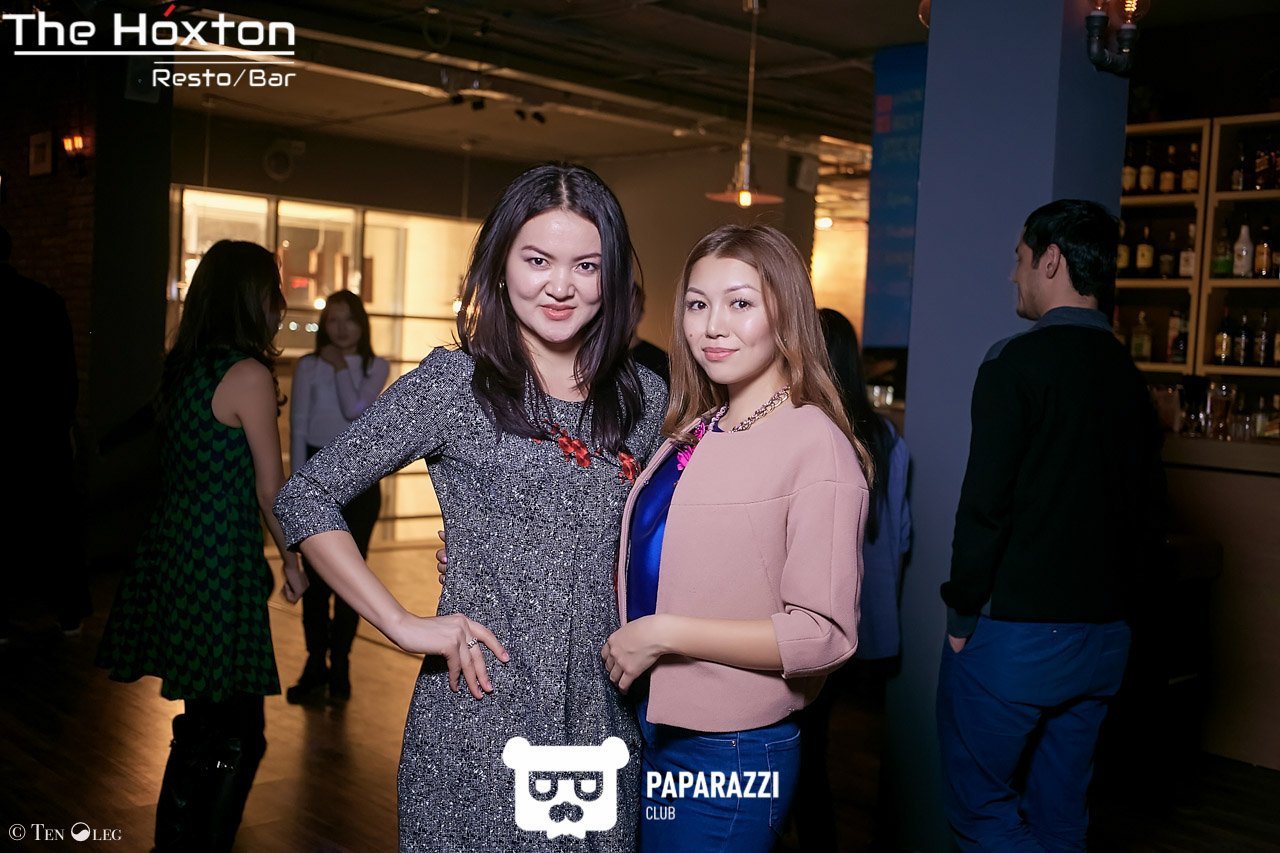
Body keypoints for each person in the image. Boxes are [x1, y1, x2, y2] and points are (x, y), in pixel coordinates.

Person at [273, 162, 667, 853]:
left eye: (586, 265)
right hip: (480, 711)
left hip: (600, 721)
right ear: (501, 262)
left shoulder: (645, 396)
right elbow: (306, 494)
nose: (561, 286)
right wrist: (402, 624)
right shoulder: (455, 385)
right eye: (537, 260)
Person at [600, 224, 869, 852]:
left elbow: (823, 633)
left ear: (785, 314)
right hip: (652, 725)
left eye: (740, 303)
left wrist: (665, 634)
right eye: (697, 304)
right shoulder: (700, 427)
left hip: (731, 748)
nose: (712, 326)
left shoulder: (814, 443)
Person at [936, 199, 1167, 852]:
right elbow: (1150, 516)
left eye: (1019, 258)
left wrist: (960, 617)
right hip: (1105, 640)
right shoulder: (1133, 378)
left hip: (1018, 636)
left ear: (1051, 260)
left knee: (981, 811)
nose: (1013, 274)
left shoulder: (1014, 362)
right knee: (1062, 815)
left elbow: (985, 503)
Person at [96, 240, 308, 852]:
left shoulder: (184, 369)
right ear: (249, 298)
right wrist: (293, 559)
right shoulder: (248, 375)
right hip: (219, 563)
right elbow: (271, 490)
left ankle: (174, 843)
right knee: (238, 736)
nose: (279, 303)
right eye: (272, 291)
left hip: (178, 555)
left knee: (203, 726)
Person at [792, 307, 912, 850]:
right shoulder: (885, 436)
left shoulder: (805, 431)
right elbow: (902, 535)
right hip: (864, 618)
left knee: (805, 750)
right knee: (822, 747)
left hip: (812, 618)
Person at [285, 289, 390, 704]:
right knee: (315, 582)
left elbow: (355, 409)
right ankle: (315, 663)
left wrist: (342, 365)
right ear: (324, 326)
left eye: (349, 319)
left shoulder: (376, 365)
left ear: (362, 324)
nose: (341, 328)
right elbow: (297, 426)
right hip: (314, 480)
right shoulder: (308, 365)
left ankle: (341, 662)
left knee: (352, 578)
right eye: (333, 320)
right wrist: (297, 487)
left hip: (360, 484)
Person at [2, 224, 91, 644]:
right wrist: (64, 422)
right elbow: (66, 373)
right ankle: (71, 612)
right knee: (57, 525)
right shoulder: (45, 300)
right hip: (43, 429)